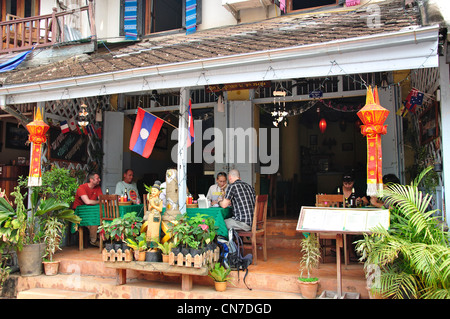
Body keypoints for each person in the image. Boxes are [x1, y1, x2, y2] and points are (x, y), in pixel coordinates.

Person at [72, 172, 103, 247]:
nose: (100, 180)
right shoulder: (81, 188)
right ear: (91, 180)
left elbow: (102, 199)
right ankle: (94, 240)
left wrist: (100, 201)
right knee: (94, 220)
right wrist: (99, 202)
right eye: (97, 178)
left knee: (101, 218)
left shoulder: (97, 187)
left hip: (91, 211)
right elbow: (87, 202)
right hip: (80, 212)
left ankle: (101, 239)